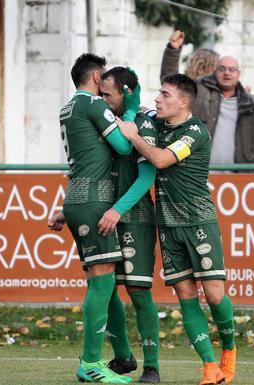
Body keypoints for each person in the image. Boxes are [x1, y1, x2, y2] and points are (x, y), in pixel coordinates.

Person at [117, 74, 237, 385]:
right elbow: (133, 102)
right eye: (158, 93)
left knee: (213, 294)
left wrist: (132, 136)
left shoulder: (195, 131)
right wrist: (129, 96)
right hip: (167, 225)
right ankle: (210, 367)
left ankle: (229, 351)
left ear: (183, 102)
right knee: (185, 295)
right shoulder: (156, 124)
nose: (158, 99)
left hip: (199, 221)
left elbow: (159, 160)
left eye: (165, 94)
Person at [48, 53, 141, 384]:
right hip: (93, 199)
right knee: (102, 281)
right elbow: (124, 146)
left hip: (77, 196)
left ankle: (124, 356)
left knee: (106, 283)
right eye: (104, 80)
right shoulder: (92, 103)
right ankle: (90, 363)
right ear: (96, 77)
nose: (107, 86)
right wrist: (130, 109)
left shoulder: (69, 106)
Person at [98, 66, 161, 383]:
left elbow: (147, 178)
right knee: (104, 286)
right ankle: (123, 358)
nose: (102, 98)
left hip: (134, 218)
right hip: (105, 215)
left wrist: (118, 210)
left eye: (107, 94)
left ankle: (152, 366)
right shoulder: (101, 119)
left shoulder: (141, 123)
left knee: (138, 291)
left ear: (126, 92)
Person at [161, 29, 254, 164]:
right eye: (222, 69)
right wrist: (173, 50)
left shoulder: (252, 102)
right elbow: (171, 84)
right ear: (215, 71)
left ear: (239, 73)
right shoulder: (198, 91)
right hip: (200, 175)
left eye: (232, 69)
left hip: (240, 179)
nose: (227, 73)